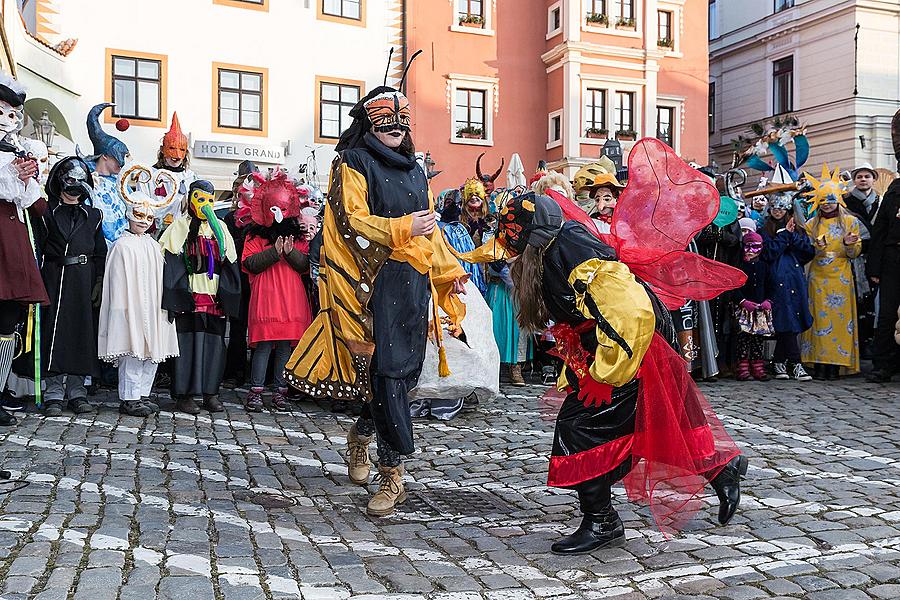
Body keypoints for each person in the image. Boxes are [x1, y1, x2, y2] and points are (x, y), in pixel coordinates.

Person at [452, 139, 747, 554]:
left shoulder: (580, 262)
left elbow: (631, 316)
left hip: (626, 351)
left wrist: (606, 376)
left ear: (533, 246)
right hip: (605, 347)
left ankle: (603, 521)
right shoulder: (552, 247)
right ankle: (721, 469)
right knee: (643, 425)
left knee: (579, 429)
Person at [283, 59, 468, 517]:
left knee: (400, 379)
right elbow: (350, 222)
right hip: (370, 284)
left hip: (413, 286)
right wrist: (403, 226)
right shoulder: (354, 163)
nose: (396, 130)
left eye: (402, 123)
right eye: (387, 123)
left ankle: (361, 436)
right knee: (386, 375)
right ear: (370, 123)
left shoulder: (415, 171)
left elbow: (431, 232)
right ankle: (392, 477)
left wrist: (448, 273)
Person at [159, 180, 241, 414]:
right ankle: (185, 394)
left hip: (214, 295)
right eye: (200, 199)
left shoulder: (221, 228)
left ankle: (210, 392)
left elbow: (231, 262)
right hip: (191, 294)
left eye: (209, 199)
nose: (205, 204)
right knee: (188, 344)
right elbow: (170, 260)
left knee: (214, 345)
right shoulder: (179, 226)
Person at [97, 189, 179, 416]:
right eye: (139, 215)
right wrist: (122, 309)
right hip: (130, 308)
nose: (143, 221)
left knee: (152, 351)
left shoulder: (153, 245)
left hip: (152, 308)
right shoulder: (121, 246)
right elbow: (116, 281)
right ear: (129, 215)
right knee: (132, 352)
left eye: (149, 217)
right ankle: (129, 398)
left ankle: (142, 393)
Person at [36, 157, 106, 416]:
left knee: (81, 333)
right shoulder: (47, 212)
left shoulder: (94, 216)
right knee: (55, 332)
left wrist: (98, 280)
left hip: (83, 279)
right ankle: (54, 391)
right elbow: (38, 248)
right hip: (55, 276)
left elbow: (100, 251)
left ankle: (77, 391)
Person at [238, 169, 312, 412]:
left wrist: (289, 253)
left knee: (284, 347)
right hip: (267, 298)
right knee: (264, 345)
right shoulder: (254, 236)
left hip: (291, 298)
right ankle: (256, 391)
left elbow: (304, 266)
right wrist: (274, 252)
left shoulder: (296, 236)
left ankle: (280, 391)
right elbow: (250, 263)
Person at [0, 72, 47, 426]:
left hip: (12, 240)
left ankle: (0, 390)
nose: (8, 119)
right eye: (2, 110)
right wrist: (15, 175)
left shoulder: (18, 152)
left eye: (14, 113)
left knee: (8, 319)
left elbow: (33, 203)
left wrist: (27, 176)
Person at [798, 166, 861, 380]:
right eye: (823, 200)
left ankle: (836, 364)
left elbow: (854, 253)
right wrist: (815, 246)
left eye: (831, 200)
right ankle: (818, 363)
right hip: (818, 276)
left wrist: (848, 244)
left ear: (838, 201)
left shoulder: (850, 222)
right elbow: (805, 252)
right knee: (818, 319)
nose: (827, 204)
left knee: (840, 320)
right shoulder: (811, 224)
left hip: (841, 276)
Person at [761, 195, 814, 381]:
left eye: (782, 208)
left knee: (794, 319)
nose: (778, 211)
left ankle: (778, 361)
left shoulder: (797, 230)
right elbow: (768, 253)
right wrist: (784, 235)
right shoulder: (765, 230)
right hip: (776, 281)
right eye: (775, 208)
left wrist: (792, 236)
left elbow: (808, 251)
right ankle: (795, 362)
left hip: (795, 280)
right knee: (785, 319)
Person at [222, 160, 259, 388]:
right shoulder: (229, 217)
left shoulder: (261, 217)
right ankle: (234, 372)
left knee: (258, 327)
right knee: (237, 326)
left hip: (258, 278)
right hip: (238, 277)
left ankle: (256, 373)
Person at [84, 103, 130, 247]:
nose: (122, 163)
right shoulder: (86, 181)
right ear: (104, 156)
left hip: (122, 248)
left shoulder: (122, 184)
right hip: (95, 248)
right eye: (118, 156)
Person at [733, 232, 773, 381]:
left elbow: (771, 286)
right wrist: (742, 301)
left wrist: (769, 301)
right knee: (743, 339)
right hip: (744, 309)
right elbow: (734, 287)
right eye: (747, 246)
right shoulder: (740, 266)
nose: (750, 250)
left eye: (755, 247)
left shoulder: (764, 267)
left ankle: (758, 366)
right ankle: (742, 367)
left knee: (758, 339)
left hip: (760, 310)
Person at [152, 112, 196, 226]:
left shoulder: (191, 177)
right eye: (171, 148)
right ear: (162, 149)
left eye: (181, 150)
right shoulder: (150, 175)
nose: (176, 156)